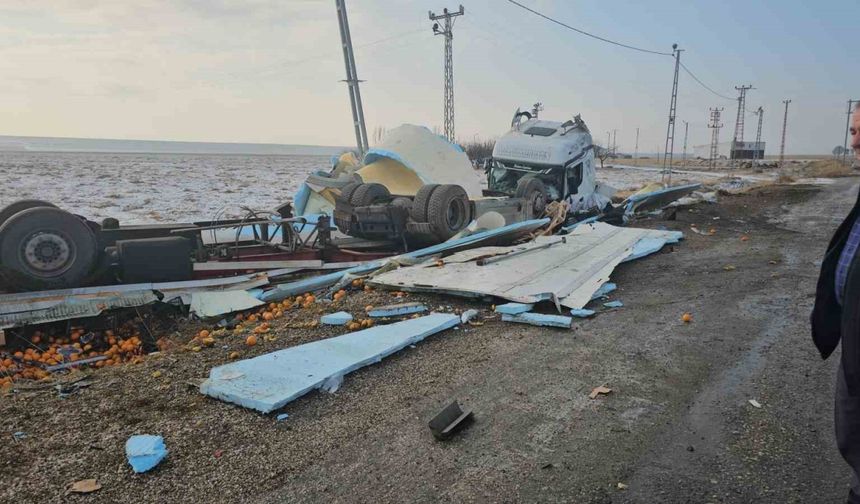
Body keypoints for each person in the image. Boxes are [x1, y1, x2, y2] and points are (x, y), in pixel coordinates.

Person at [812, 101, 860, 503]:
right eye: (854, 131)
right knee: (852, 437)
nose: (854, 142)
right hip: (852, 344)